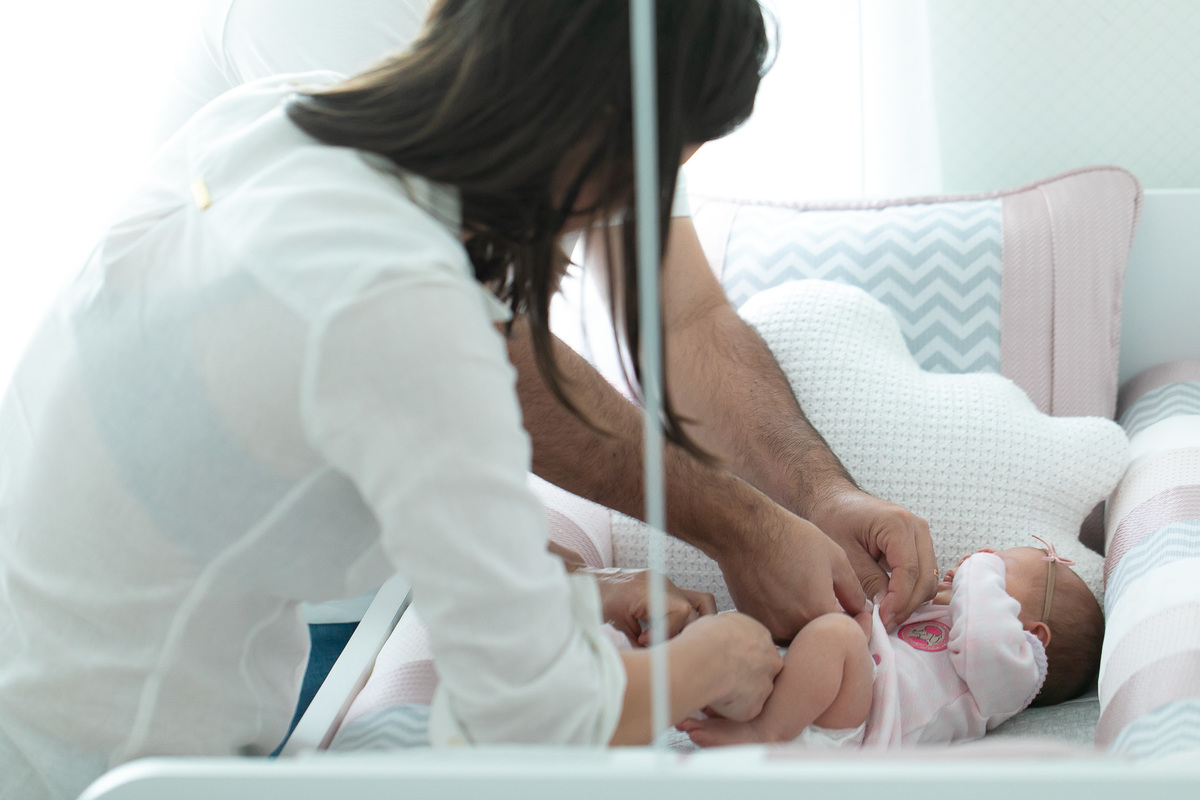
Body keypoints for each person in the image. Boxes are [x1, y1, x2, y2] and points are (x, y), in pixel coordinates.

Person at [0, 4, 789, 799]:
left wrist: (560, 597)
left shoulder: (276, 123)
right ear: (603, 135)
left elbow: (220, 483)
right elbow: (537, 721)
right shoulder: (406, 304)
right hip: (95, 765)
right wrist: (721, 658)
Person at [155, 0, 938, 644]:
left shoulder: (597, 49)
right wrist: (744, 531)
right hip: (234, 596)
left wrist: (821, 497)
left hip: (367, 559)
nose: (635, 193)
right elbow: (470, 342)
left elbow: (684, 321)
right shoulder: (352, 32)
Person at [678, 538, 1105, 748]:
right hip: (821, 692)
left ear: (1035, 635)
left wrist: (981, 566)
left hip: (860, 729)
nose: (976, 564)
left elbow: (984, 635)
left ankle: (764, 732)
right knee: (736, 636)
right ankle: (698, 691)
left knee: (836, 636)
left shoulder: (1013, 674)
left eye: (1001, 571)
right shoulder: (940, 613)